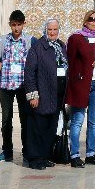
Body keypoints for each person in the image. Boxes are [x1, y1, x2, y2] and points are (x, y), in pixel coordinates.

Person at [0, 9, 33, 163]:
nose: (16, 28)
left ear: (24, 24)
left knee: (25, 119)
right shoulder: (2, 40)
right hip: (6, 85)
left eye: (19, 25)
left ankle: (27, 152)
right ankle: (7, 151)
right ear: (10, 25)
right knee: (6, 119)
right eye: (13, 25)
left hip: (23, 85)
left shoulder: (30, 41)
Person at [65, 10, 95, 167]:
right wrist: (73, 83)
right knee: (77, 121)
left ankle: (91, 153)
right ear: (85, 21)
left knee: (93, 122)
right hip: (81, 85)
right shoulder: (76, 38)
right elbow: (70, 62)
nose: (94, 22)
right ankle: (75, 154)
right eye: (91, 19)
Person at [23, 18, 68, 170]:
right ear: (45, 30)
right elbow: (29, 73)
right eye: (50, 30)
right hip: (42, 95)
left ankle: (45, 155)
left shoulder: (61, 46)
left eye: (55, 30)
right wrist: (33, 95)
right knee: (38, 128)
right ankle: (35, 158)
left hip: (57, 96)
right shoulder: (37, 47)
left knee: (51, 127)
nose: (53, 32)